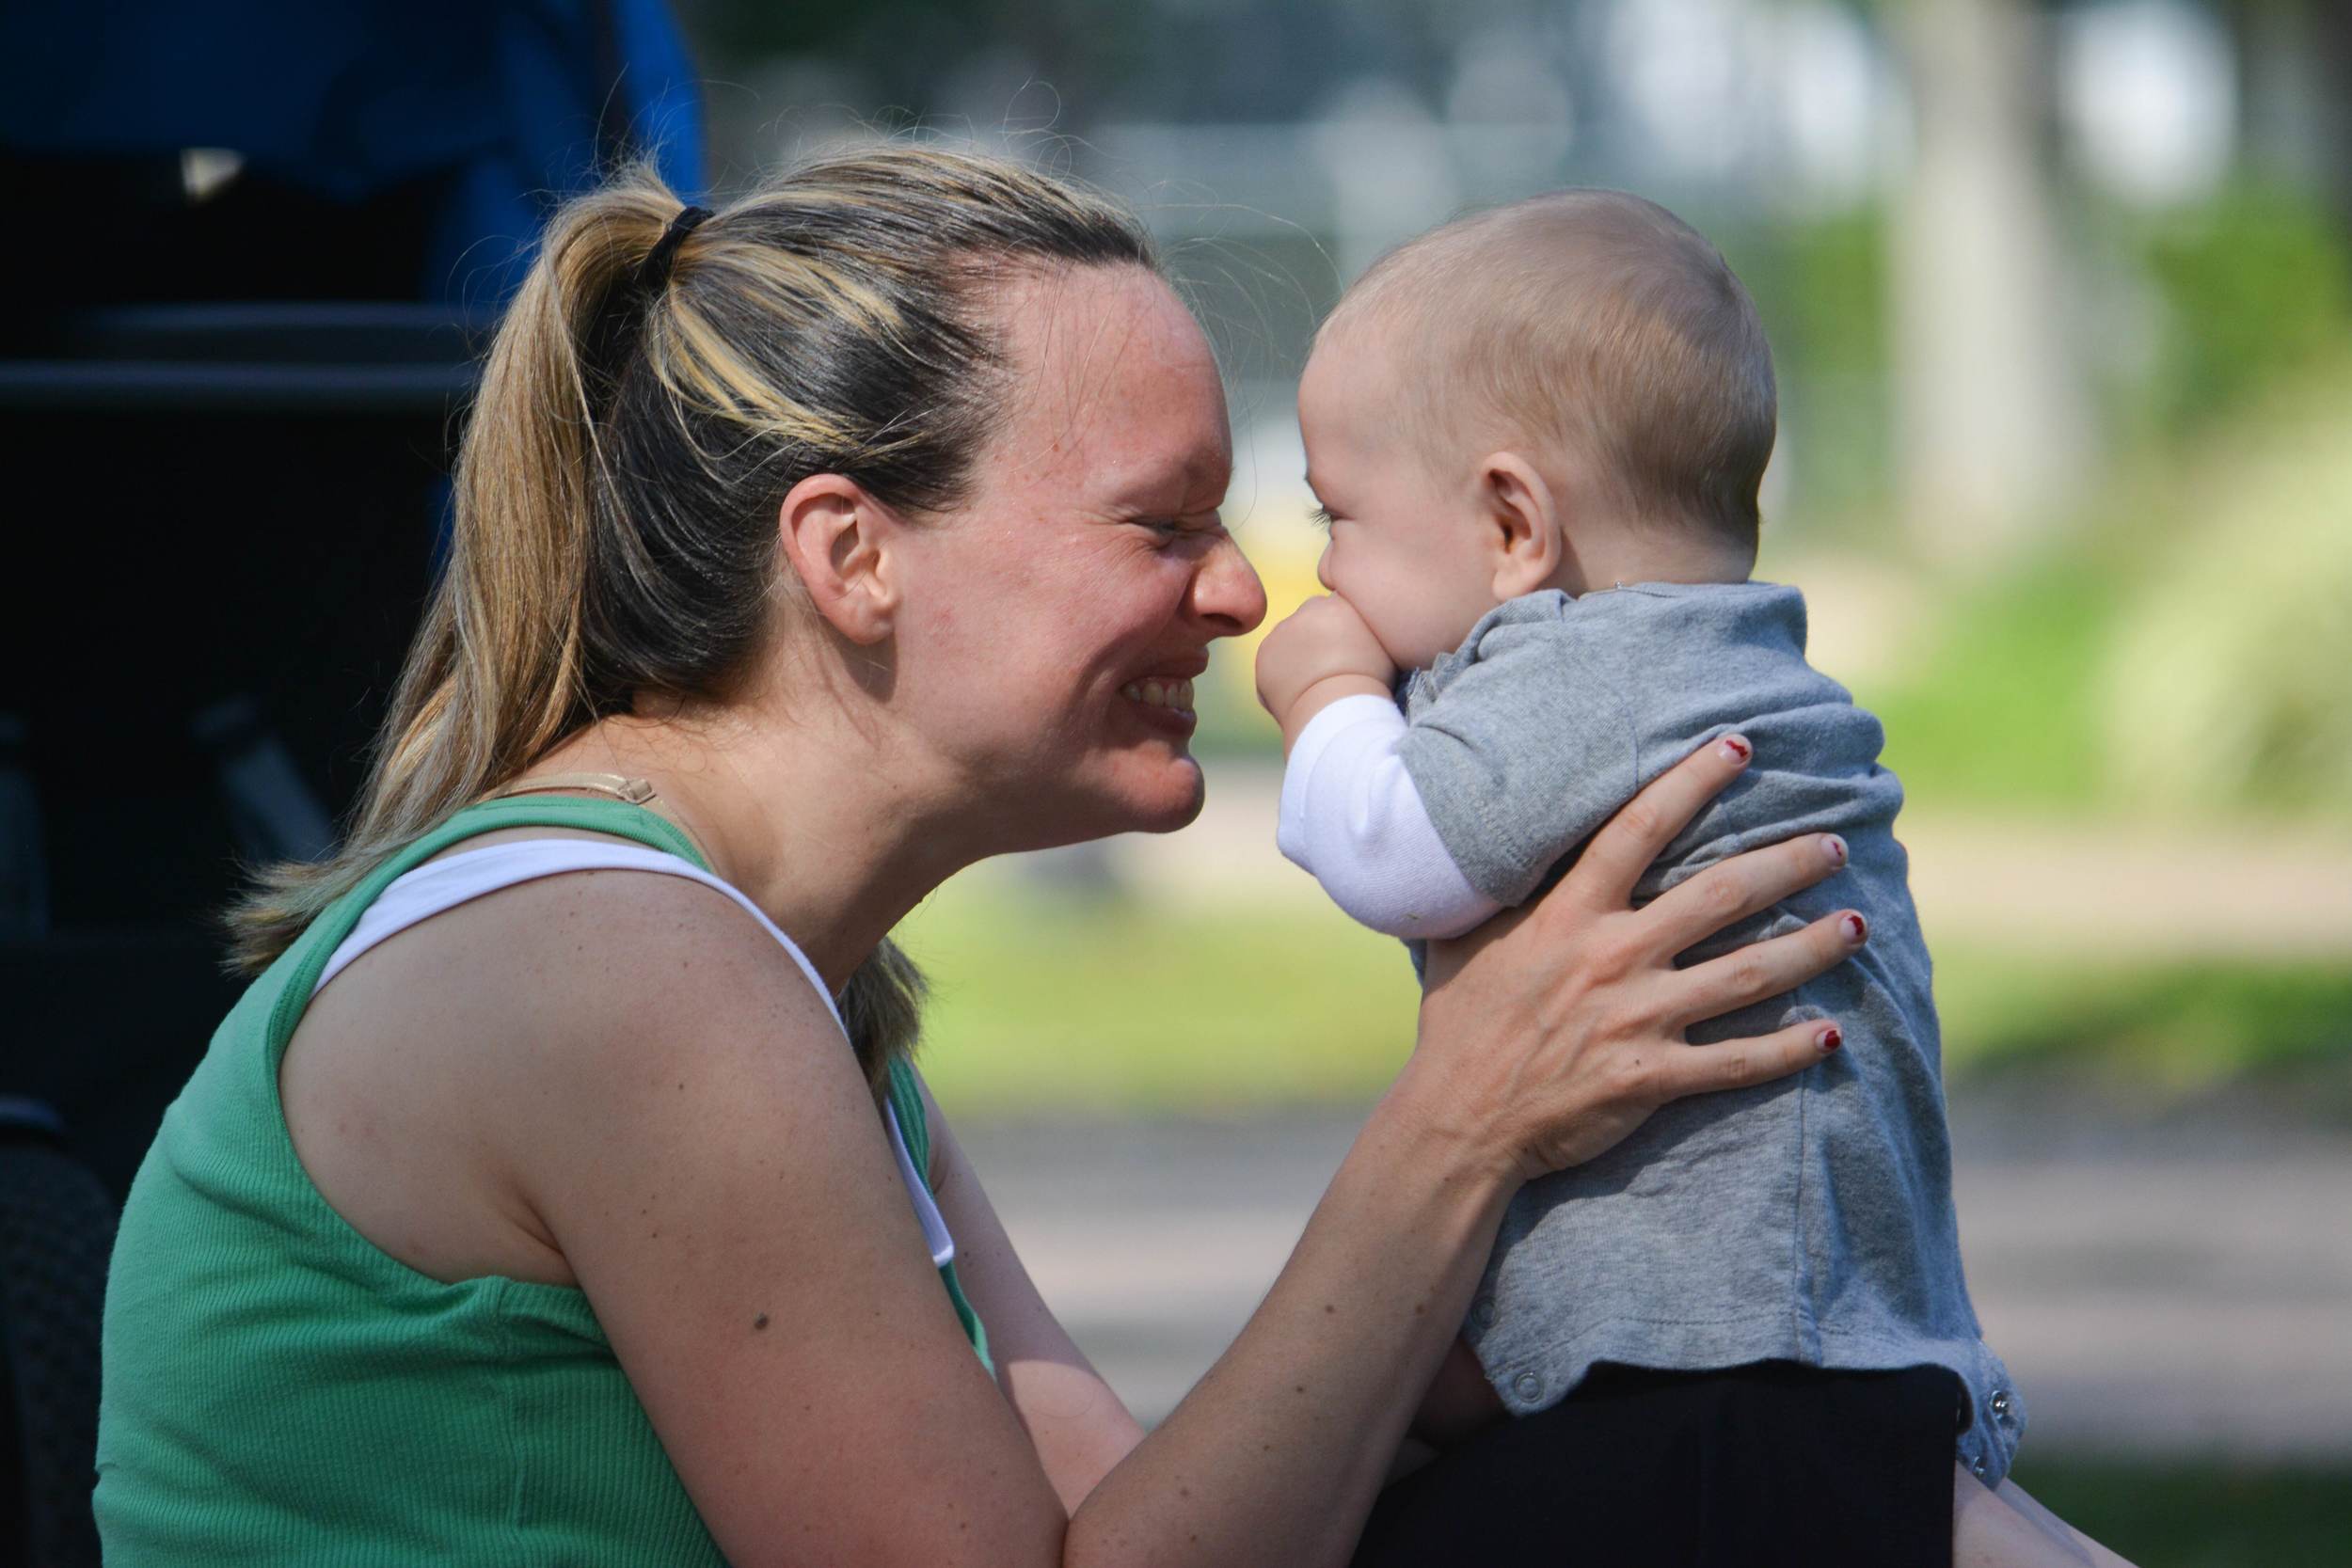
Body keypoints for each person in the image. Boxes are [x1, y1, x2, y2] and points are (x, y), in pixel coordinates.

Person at [96, 148, 1879, 1566]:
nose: (1252, 590)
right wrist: (1464, 1120)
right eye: (1163, 522)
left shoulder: (771, 984)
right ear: (850, 555)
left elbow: (1149, 1523)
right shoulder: (623, 976)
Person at [1254, 191, 2135, 1564]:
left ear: (1511, 525)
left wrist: (1323, 698)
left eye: (1341, 515)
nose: (1322, 565)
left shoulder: (1591, 667)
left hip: (1717, 1336)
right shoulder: (1733, 658)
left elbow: (1393, 849)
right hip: (1805, 1282)